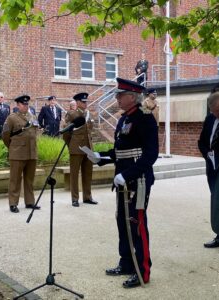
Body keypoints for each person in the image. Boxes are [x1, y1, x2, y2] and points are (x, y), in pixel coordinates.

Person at [90, 78, 158, 288]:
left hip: (138, 180)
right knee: (123, 222)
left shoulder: (145, 119)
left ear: (132, 97)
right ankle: (127, 263)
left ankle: (142, 271)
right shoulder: (123, 119)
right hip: (123, 180)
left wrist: (128, 175)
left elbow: (150, 154)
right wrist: (100, 157)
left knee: (137, 225)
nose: (117, 98)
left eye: (120, 95)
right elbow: (120, 152)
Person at [2, 95, 41, 213]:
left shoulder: (32, 116)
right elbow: (5, 136)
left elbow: (35, 132)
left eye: (27, 104)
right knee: (15, 179)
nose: (26, 106)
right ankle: (13, 203)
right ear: (18, 105)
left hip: (31, 153)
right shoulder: (12, 118)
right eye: (23, 104)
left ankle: (29, 202)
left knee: (29, 179)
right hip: (17, 153)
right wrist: (13, 147)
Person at [63, 92, 97, 207]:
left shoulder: (88, 114)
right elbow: (66, 132)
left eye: (86, 101)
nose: (85, 103)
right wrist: (71, 145)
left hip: (88, 148)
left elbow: (90, 130)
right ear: (77, 102)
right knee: (74, 174)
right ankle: (75, 198)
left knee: (88, 173)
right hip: (76, 148)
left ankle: (87, 197)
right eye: (83, 102)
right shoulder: (72, 114)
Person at [198, 91, 219, 248]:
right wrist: (207, 154)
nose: (215, 113)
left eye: (218, 110)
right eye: (213, 110)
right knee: (216, 201)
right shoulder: (210, 119)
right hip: (212, 167)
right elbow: (202, 141)